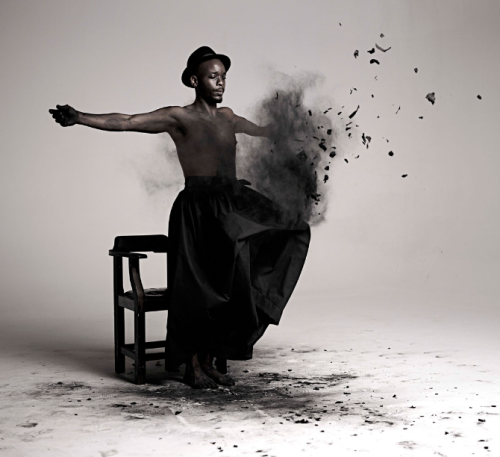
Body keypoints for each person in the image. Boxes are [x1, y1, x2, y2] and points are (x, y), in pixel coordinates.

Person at [49, 46, 311, 389]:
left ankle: (210, 359)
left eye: (224, 77)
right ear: (194, 81)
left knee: (244, 271)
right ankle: (192, 365)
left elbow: (264, 131)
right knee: (197, 288)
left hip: (231, 204)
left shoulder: (229, 117)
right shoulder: (178, 117)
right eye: (213, 76)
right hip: (197, 210)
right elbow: (126, 121)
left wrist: (294, 130)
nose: (221, 82)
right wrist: (80, 117)